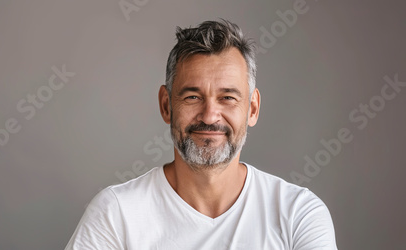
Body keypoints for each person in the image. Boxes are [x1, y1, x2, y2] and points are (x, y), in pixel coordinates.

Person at [65, 19, 337, 249]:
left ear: (252, 109)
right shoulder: (116, 214)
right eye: (193, 96)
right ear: (166, 105)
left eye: (227, 97)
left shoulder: (298, 214)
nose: (209, 116)